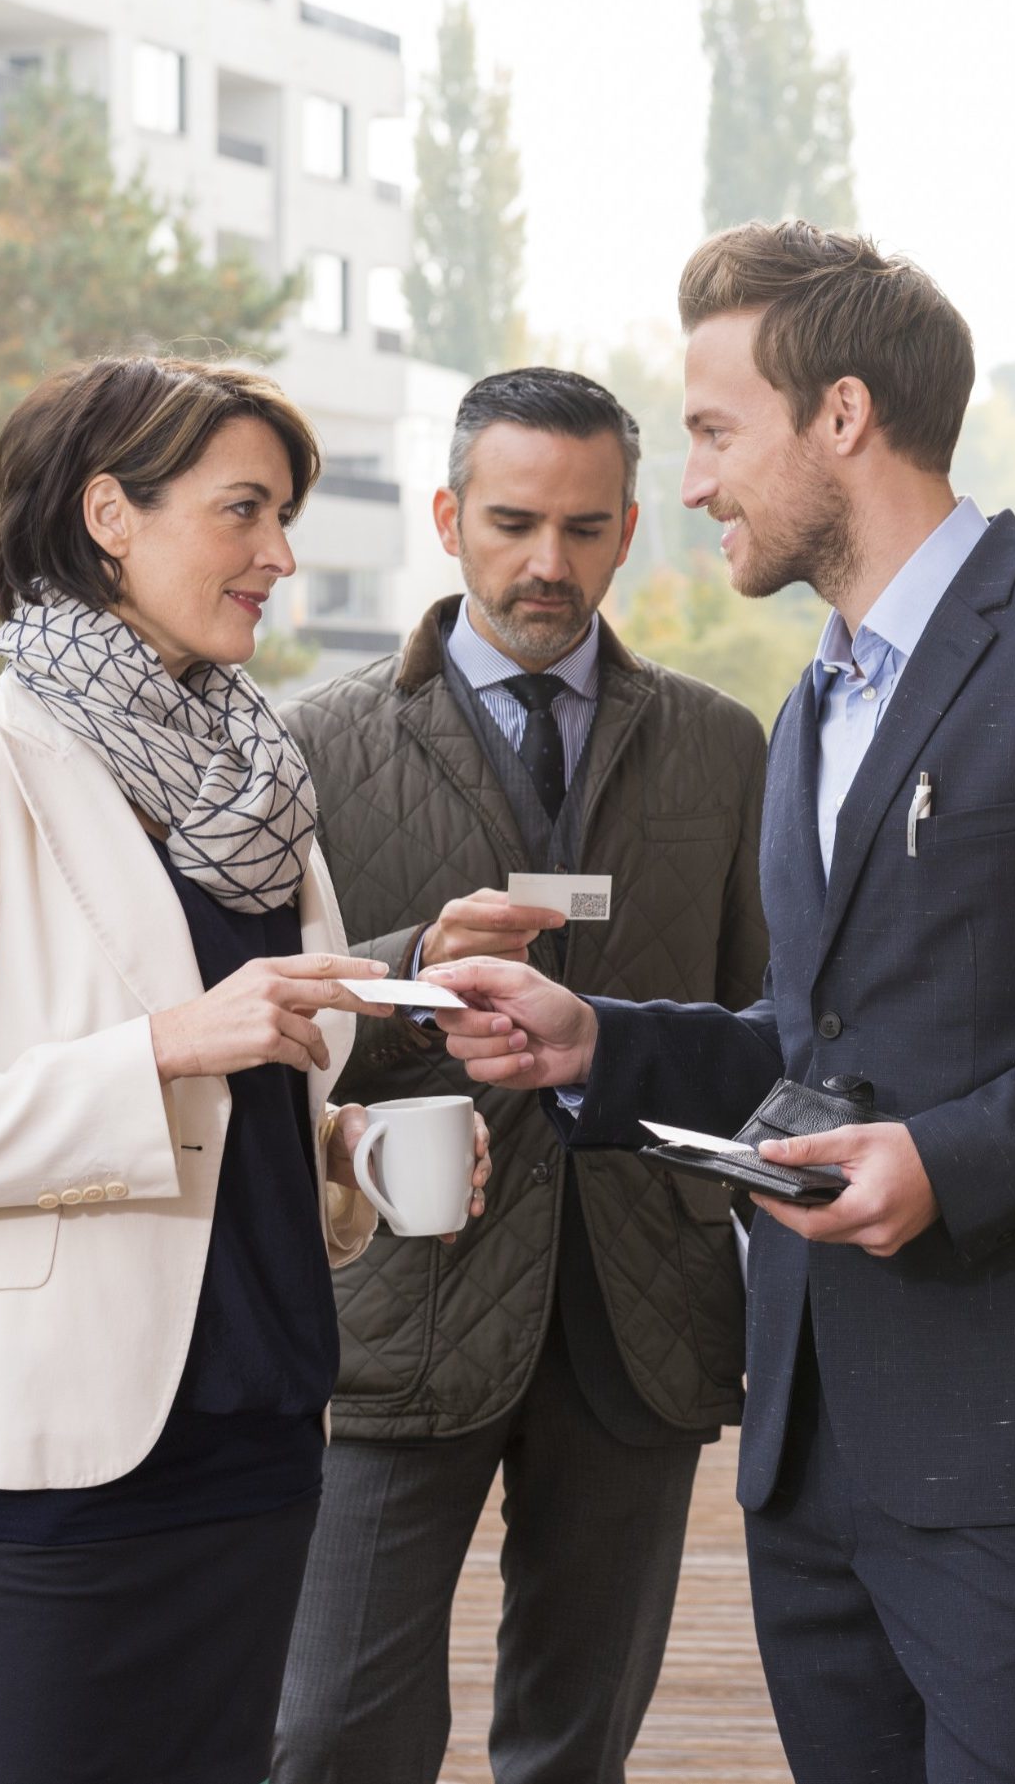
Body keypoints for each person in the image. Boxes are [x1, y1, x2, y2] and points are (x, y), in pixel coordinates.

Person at [427, 223, 1015, 1783]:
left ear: (841, 415)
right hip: (812, 1449)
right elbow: (819, 1040)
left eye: (716, 432)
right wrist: (601, 1042)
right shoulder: (813, 702)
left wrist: (951, 1160)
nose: (694, 485)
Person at [0, 355, 489, 1784]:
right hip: (36, 1462)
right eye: (244, 509)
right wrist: (169, 1042)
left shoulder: (257, 789)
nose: (280, 555)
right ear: (110, 514)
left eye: (285, 515)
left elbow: (252, 1100)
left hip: (257, 1440)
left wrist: (353, 1154)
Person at [273, 367, 769, 1783]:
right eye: (512, 522)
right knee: (331, 1734)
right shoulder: (312, 748)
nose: (548, 560)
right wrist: (417, 972)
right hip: (393, 1312)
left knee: (576, 1746)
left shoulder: (722, 747)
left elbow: (770, 1027)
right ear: (447, 518)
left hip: (642, 1311)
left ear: (629, 533)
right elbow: (273, 1024)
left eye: (585, 527)